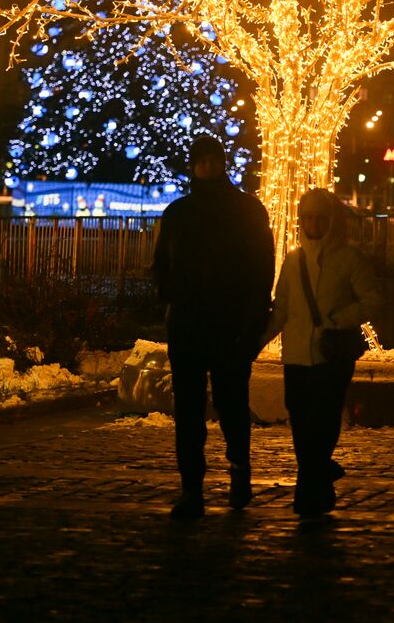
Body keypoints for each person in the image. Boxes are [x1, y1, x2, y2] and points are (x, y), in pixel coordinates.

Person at [152, 135, 274, 520]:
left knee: (232, 404)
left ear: (222, 163)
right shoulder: (179, 213)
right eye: (200, 161)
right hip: (189, 324)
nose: (206, 167)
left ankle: (239, 472)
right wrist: (169, 298)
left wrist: (252, 320)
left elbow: (261, 270)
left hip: (230, 325)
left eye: (212, 160)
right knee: (188, 410)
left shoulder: (246, 211)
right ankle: (192, 488)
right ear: (193, 165)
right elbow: (162, 264)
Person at [264, 188, 383, 519]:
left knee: (325, 420)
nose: (313, 223)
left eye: (319, 217)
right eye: (308, 217)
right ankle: (319, 476)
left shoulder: (348, 259)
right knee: (301, 422)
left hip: (331, 355)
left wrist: (336, 320)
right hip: (297, 356)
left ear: (331, 221)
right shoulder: (293, 261)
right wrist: (254, 343)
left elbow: (373, 299)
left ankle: (308, 490)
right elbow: (282, 310)